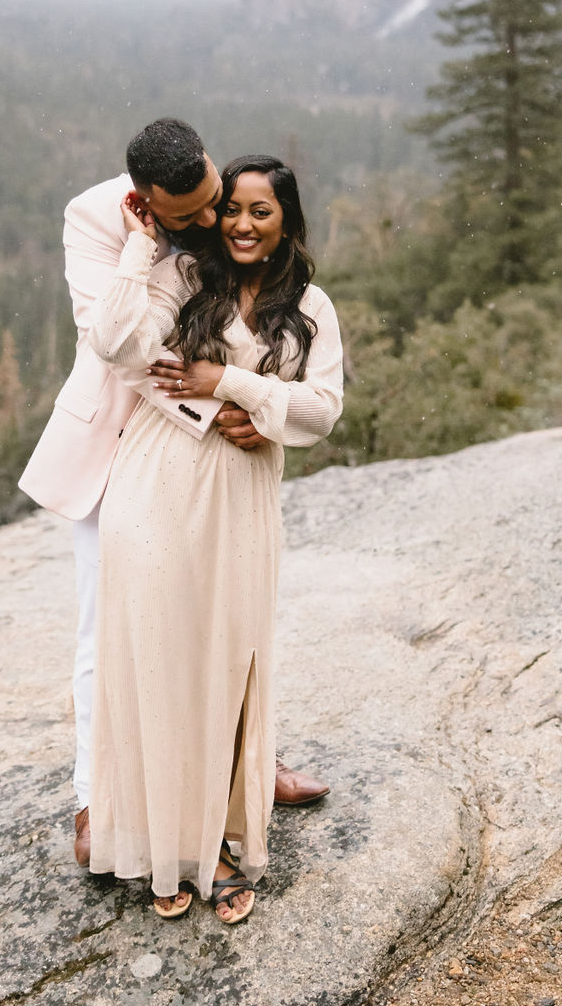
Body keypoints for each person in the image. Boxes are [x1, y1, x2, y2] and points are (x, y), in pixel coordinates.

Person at [18, 120, 330, 871]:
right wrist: (217, 412)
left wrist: (254, 408)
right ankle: (100, 799)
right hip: (121, 441)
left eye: (215, 202)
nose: (211, 225)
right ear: (145, 201)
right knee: (111, 626)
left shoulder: (215, 200)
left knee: (228, 613)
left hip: (217, 440)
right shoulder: (92, 220)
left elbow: (260, 320)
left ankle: (244, 772)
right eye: (188, 218)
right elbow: (126, 353)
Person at [86, 154, 344, 922]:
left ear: (287, 221)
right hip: (157, 486)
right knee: (158, 659)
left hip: (239, 497)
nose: (240, 222)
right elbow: (115, 343)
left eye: (260, 210)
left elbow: (322, 410)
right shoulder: (183, 278)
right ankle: (162, 845)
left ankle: (222, 842)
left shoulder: (313, 306)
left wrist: (233, 388)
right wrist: (139, 246)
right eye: (230, 208)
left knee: (230, 662)